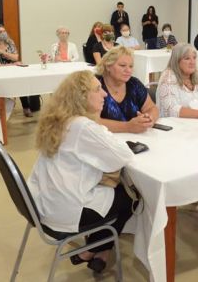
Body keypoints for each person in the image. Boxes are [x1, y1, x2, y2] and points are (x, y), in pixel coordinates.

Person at [27, 70, 135, 274]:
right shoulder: (82, 126)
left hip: (42, 204)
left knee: (112, 190)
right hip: (65, 211)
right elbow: (123, 156)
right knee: (130, 196)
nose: (104, 94)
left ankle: (95, 251)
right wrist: (102, 130)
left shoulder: (60, 120)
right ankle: (98, 249)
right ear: (81, 97)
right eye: (98, 89)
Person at [96, 46, 159, 133]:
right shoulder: (95, 85)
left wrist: (148, 118)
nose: (128, 70)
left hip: (136, 139)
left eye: (131, 66)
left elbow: (151, 107)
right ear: (108, 66)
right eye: (122, 65)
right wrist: (127, 127)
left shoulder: (134, 84)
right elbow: (91, 121)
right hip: (104, 140)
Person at [0, 24, 33, 117]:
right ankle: (4, 106)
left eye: (4, 31)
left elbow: (15, 57)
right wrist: (12, 64)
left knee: (21, 81)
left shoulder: (10, 43)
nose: (4, 33)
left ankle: (26, 107)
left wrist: (1, 52)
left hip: (10, 71)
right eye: (1, 32)